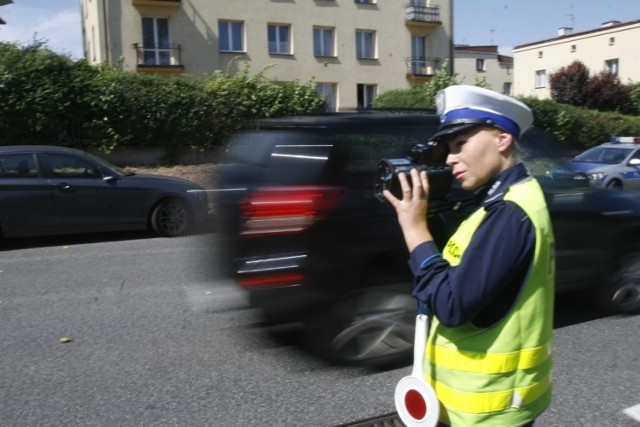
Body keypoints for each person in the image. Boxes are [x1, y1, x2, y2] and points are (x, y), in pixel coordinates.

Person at [383, 85, 555, 427]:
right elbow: (459, 269)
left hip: (490, 411)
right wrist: (428, 215)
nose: (450, 158)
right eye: (448, 148)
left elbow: (452, 304)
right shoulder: (507, 199)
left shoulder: (509, 212)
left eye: (461, 144)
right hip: (483, 405)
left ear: (502, 139)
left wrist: (414, 228)